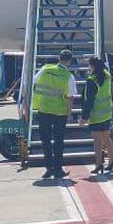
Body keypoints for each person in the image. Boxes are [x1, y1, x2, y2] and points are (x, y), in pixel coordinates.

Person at [32, 49, 78, 180]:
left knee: (45, 141)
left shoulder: (45, 70)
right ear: (69, 61)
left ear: (59, 58)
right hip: (59, 112)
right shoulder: (68, 76)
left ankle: (48, 168)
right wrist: (69, 113)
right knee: (58, 142)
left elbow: (34, 83)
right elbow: (70, 97)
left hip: (44, 110)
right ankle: (58, 169)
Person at [82, 56, 113, 174]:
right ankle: (111, 161)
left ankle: (99, 164)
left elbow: (89, 100)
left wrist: (84, 117)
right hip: (107, 112)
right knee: (106, 138)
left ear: (92, 66)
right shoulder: (107, 75)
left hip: (96, 114)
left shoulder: (92, 80)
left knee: (97, 141)